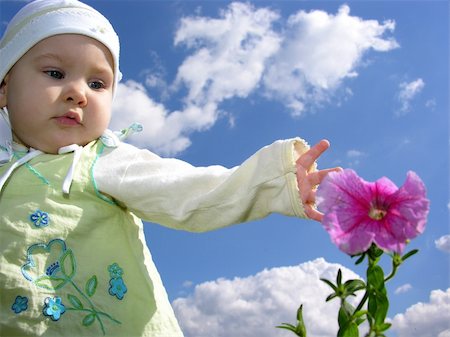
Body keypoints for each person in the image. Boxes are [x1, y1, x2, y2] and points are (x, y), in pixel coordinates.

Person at [0, 1, 340, 336]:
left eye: (97, 84)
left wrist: (276, 181)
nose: (78, 93)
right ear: (5, 87)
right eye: (56, 74)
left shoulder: (104, 160)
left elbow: (190, 190)